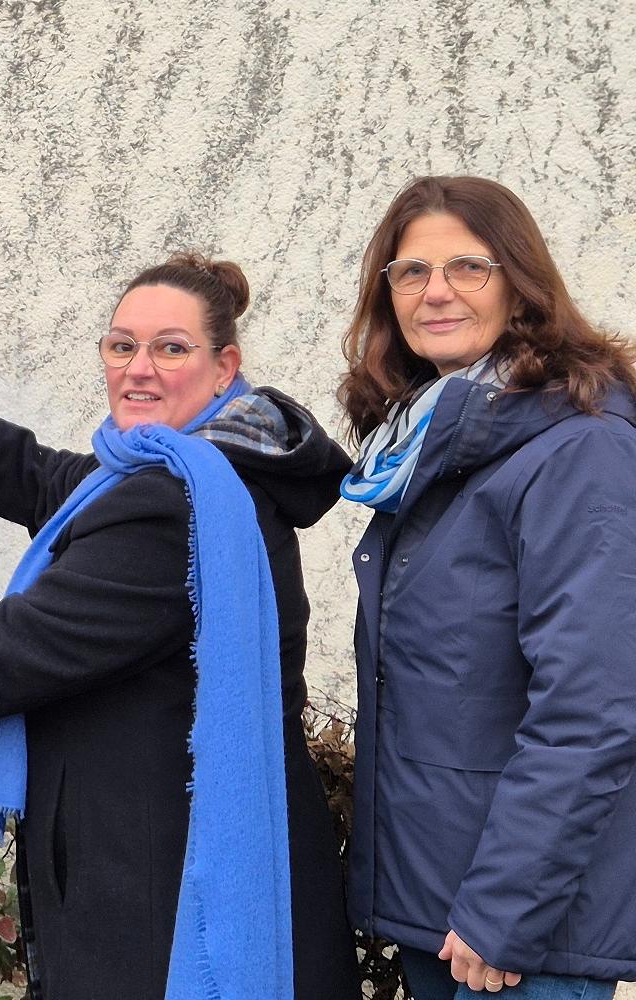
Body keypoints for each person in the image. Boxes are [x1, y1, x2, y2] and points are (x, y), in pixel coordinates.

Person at [0, 253, 360, 999]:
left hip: (162, 884)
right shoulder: (191, 469)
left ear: (224, 368)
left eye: (171, 348)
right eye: (122, 345)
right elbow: (52, 480)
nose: (138, 368)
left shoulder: (176, 504)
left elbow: (15, 648)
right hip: (165, 853)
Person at [335, 176, 636, 999]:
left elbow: (593, 707)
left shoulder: (578, 450)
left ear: (520, 283)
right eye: (411, 272)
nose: (436, 292)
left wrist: (505, 909)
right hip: (439, 910)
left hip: (519, 937)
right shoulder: (432, 445)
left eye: (469, 266)